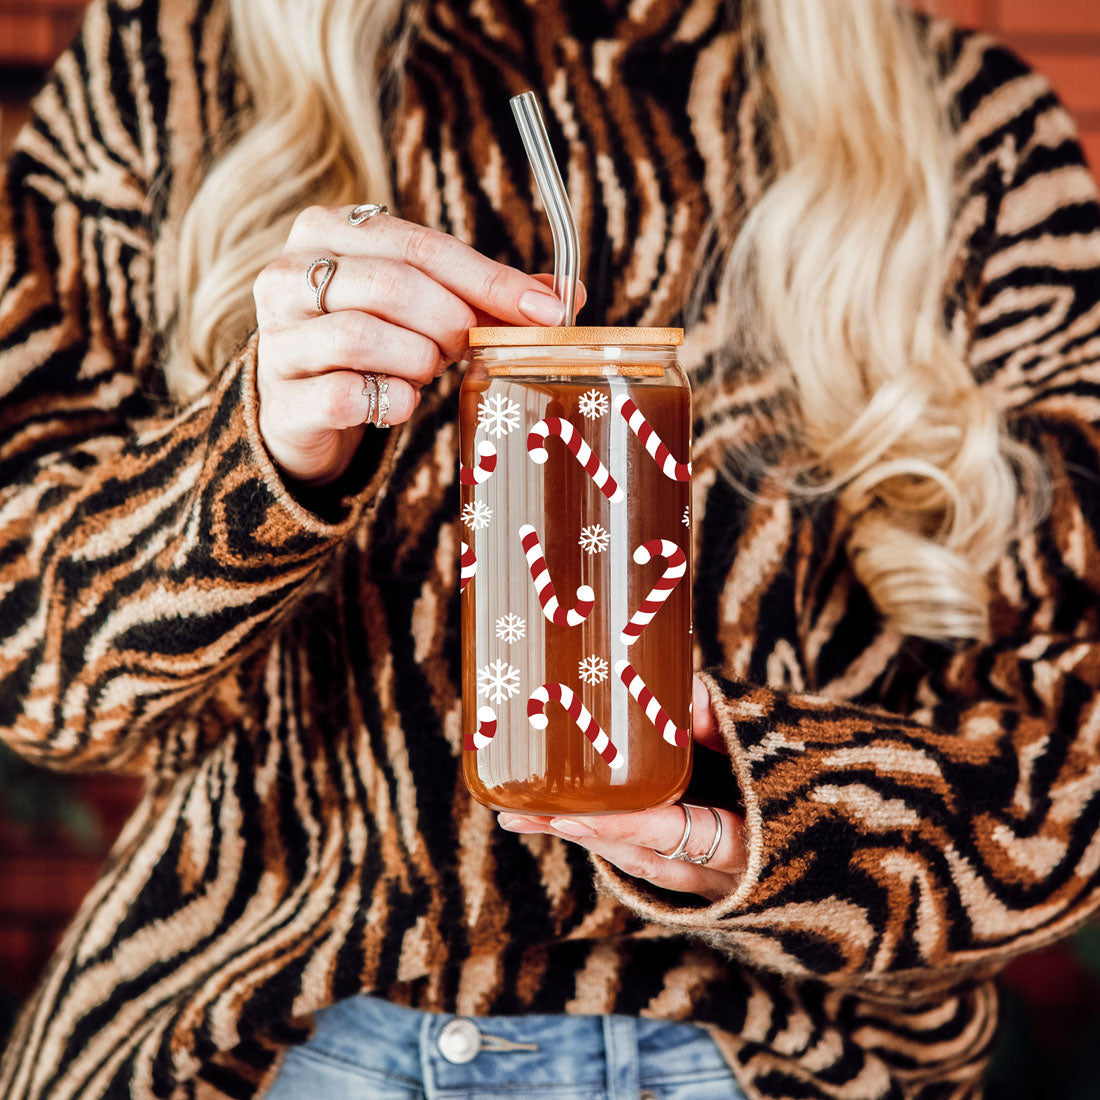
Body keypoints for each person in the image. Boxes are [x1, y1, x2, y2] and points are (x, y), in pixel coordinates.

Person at [0, 0, 1097, 1096]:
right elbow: (32, 673)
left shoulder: (969, 128)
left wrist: (774, 820)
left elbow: (1075, 755)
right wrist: (259, 458)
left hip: (775, 1052)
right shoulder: (169, 68)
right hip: (250, 1037)